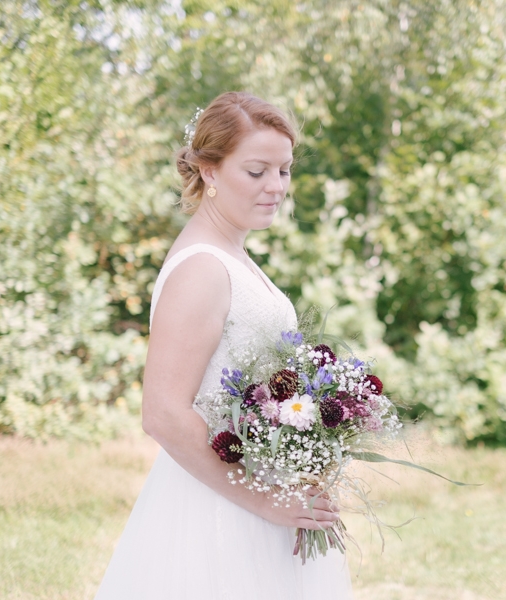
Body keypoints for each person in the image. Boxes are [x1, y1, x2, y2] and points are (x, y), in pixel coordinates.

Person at [94, 92, 354, 599]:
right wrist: (265, 502)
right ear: (209, 171)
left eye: (284, 170)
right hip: (219, 513)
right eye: (256, 171)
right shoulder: (201, 270)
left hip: (256, 490)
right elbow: (163, 413)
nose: (275, 187)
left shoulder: (228, 252)